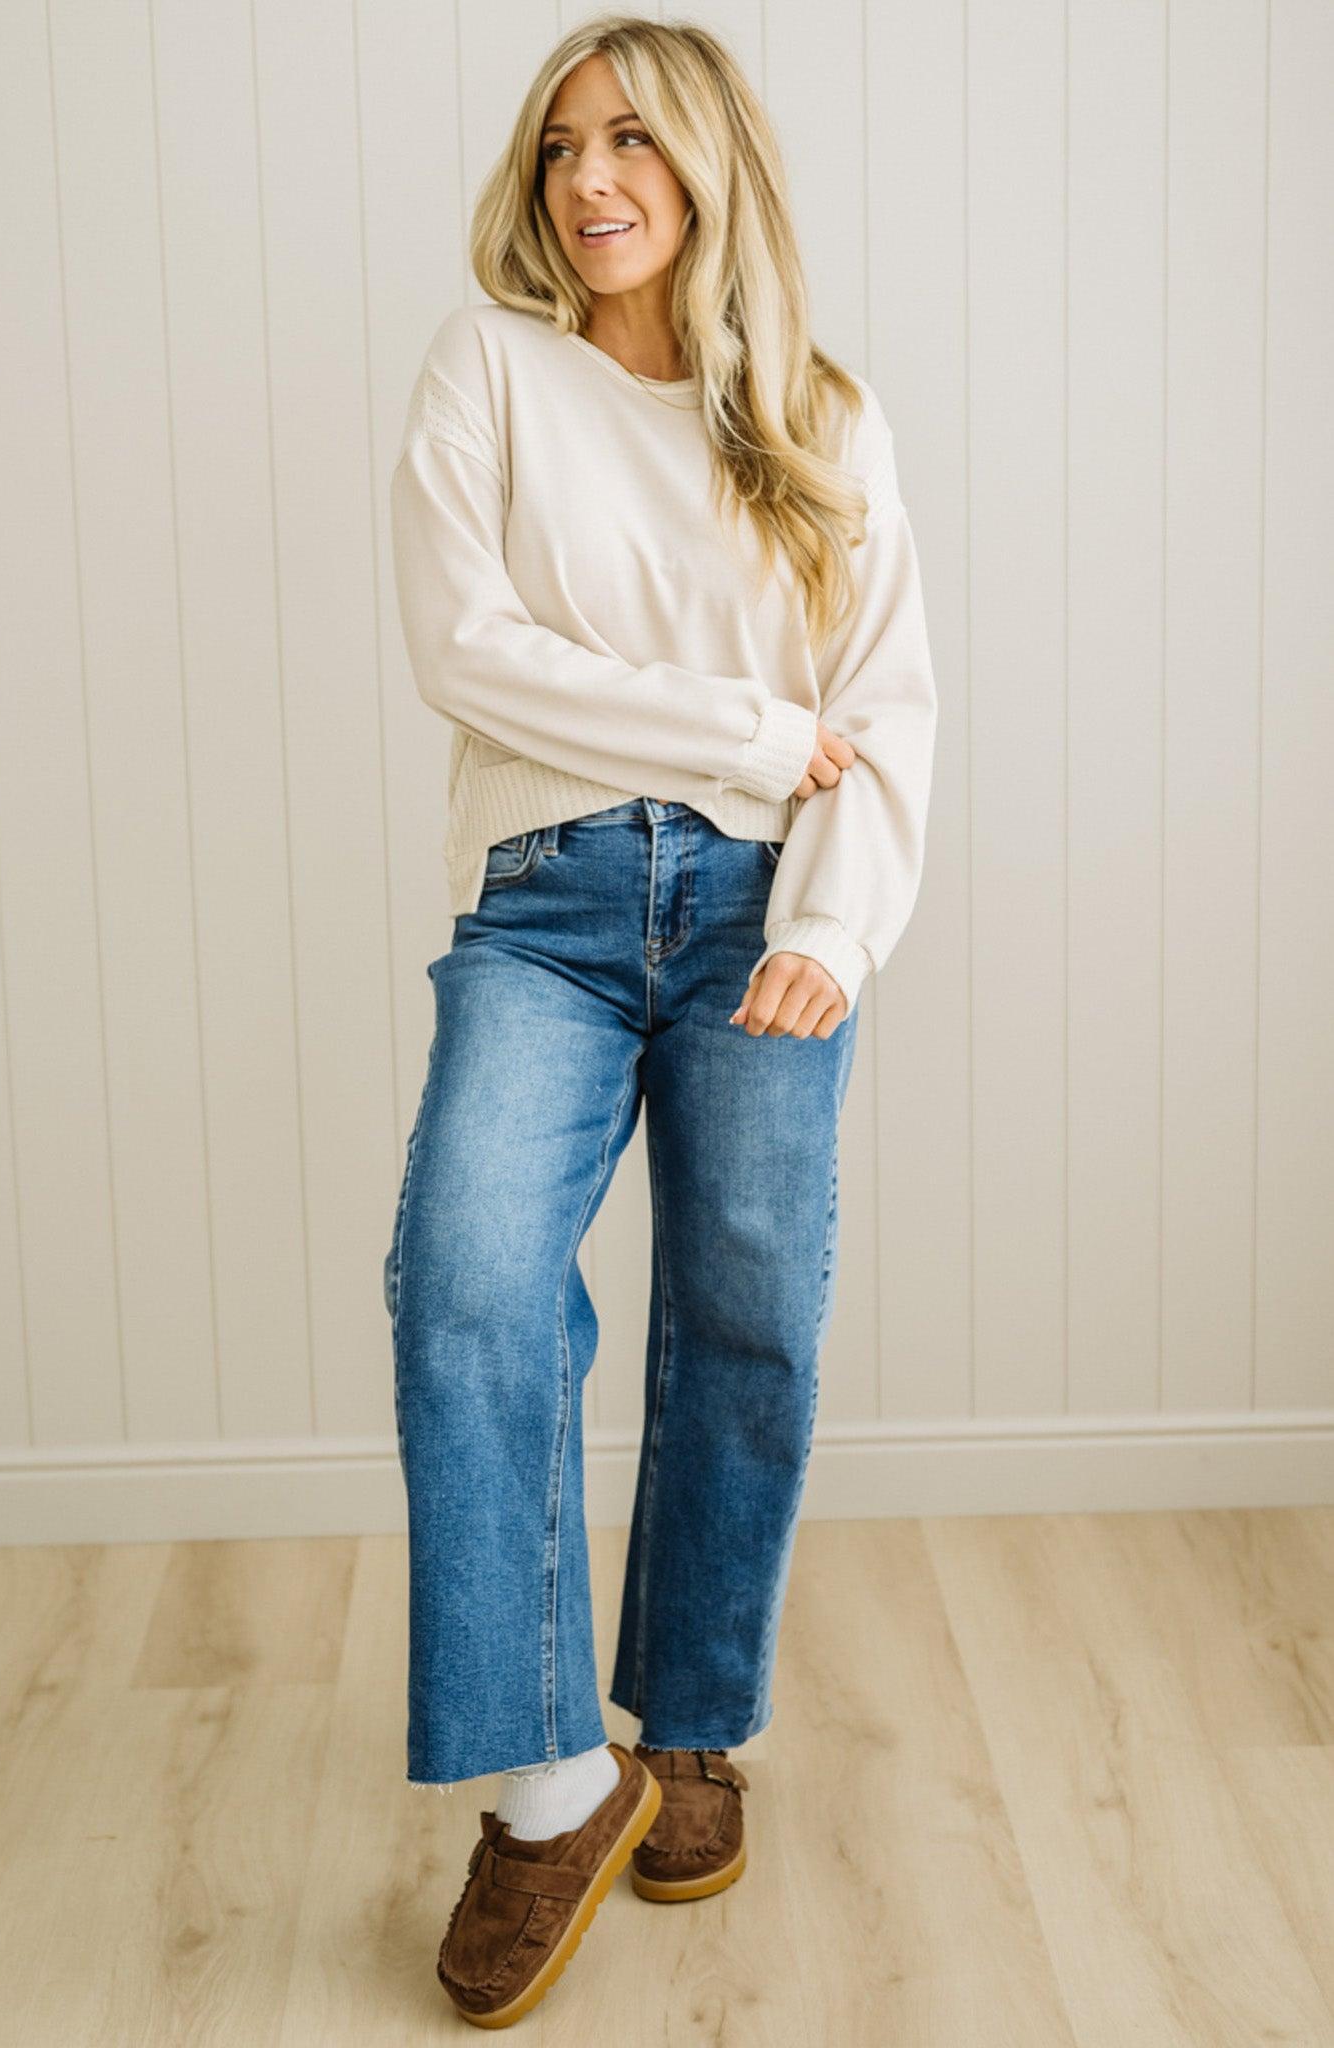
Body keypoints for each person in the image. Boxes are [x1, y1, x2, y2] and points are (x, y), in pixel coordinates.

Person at [384, 13, 938, 2027]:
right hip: (539, 904)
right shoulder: (487, 370)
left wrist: (839, 920)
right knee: (464, 1275)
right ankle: (550, 1785)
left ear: (708, 163)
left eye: (629, 139)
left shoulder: (818, 414)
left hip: (757, 916)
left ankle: (688, 1719)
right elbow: (470, 653)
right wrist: (744, 733)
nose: (589, 179)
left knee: (744, 1304)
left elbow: (880, 720)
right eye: (557, 148)